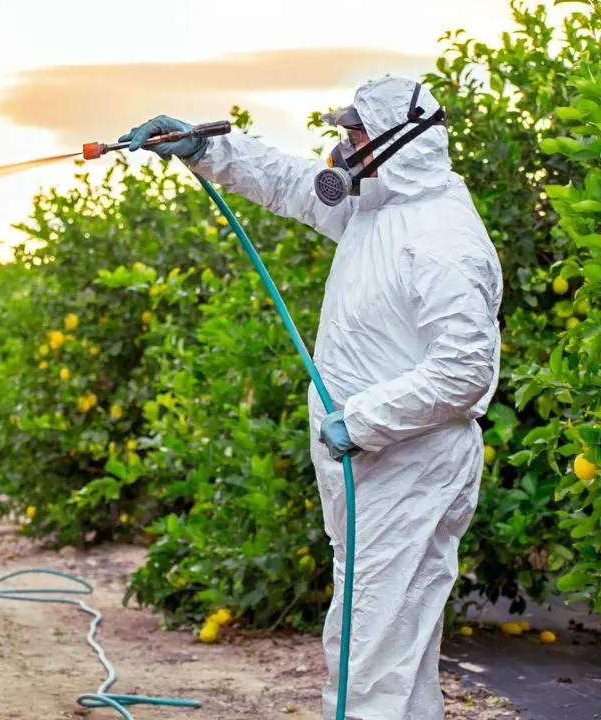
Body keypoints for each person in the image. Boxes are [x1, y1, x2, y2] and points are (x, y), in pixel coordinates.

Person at [120, 75, 503, 720]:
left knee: (369, 645)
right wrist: (205, 150)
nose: (341, 145)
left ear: (394, 142)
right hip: (378, 468)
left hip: (407, 465)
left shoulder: (442, 238)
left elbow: (464, 370)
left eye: (352, 134)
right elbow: (291, 182)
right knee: (392, 636)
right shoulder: (375, 209)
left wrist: (360, 421)